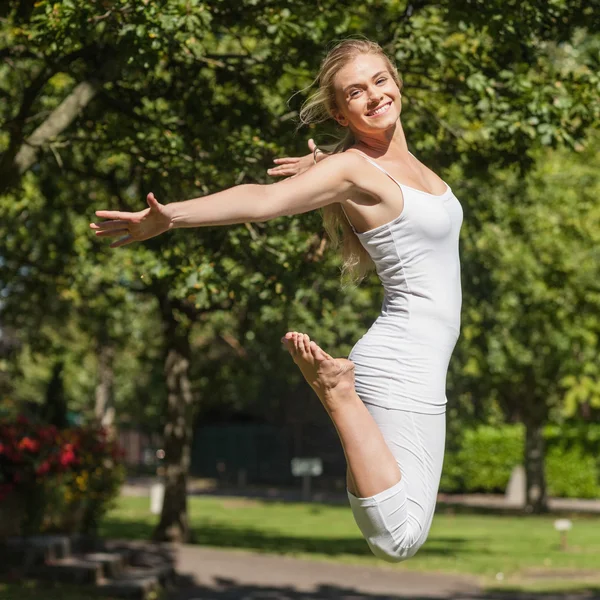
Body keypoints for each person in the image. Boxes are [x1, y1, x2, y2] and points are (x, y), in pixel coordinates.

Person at [90, 38, 462, 563]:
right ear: (340, 111)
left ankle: (341, 394)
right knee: (397, 539)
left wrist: (321, 162)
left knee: (409, 532)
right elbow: (261, 201)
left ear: (397, 81)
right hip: (399, 358)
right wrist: (170, 215)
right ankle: (337, 395)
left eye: (380, 80)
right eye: (356, 92)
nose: (374, 95)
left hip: (424, 359)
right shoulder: (354, 168)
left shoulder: (391, 166)